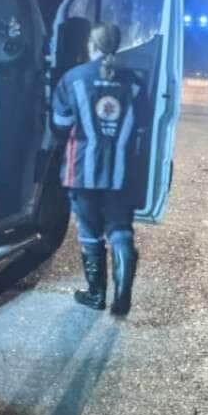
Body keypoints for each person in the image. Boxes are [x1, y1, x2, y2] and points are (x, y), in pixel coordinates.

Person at [51, 22, 142, 316]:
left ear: (91, 45)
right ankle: (123, 293)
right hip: (121, 172)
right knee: (120, 230)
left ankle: (96, 294)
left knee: (90, 231)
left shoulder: (73, 79)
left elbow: (60, 124)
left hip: (82, 171)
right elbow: (145, 124)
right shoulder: (134, 81)